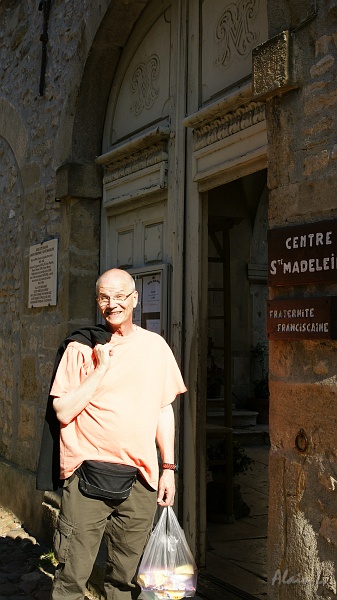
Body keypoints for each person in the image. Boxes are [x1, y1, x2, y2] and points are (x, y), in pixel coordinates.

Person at [48, 268, 187, 600]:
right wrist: (102, 368)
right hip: (86, 480)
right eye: (104, 297)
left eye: (120, 296)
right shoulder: (81, 346)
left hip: (140, 481)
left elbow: (163, 409)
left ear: (135, 299)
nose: (112, 304)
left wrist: (168, 468)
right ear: (97, 301)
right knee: (71, 579)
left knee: (125, 582)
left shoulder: (156, 347)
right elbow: (63, 411)